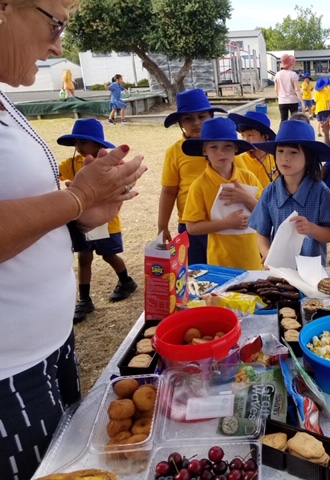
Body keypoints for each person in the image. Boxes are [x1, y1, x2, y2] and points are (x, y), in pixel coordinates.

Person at [0, 2, 146, 477]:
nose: (58, 45)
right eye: (55, 23)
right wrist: (78, 198)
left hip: (47, 350)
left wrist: (82, 218)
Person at [57, 119, 138, 322]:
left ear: (98, 144)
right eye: (76, 143)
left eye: (84, 142)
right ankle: (85, 300)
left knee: (109, 255)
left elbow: (124, 182)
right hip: (81, 221)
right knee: (84, 258)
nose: (79, 147)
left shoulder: (110, 164)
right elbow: (54, 176)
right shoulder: (70, 164)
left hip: (106, 223)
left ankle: (126, 281)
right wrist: (68, 184)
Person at [249, 120, 330, 266]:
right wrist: (267, 253)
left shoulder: (320, 191)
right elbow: (261, 233)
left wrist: (312, 228)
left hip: (312, 270)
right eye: (280, 151)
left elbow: (329, 235)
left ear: (309, 157)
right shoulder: (270, 192)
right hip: (279, 270)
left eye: (293, 152)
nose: (285, 158)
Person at [181, 117, 263, 270]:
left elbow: (267, 214)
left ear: (236, 148)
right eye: (213, 147)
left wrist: (246, 198)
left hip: (252, 261)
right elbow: (192, 227)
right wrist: (227, 223)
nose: (221, 152)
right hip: (220, 264)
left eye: (227, 146)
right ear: (204, 150)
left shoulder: (248, 178)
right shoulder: (199, 185)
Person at [158, 88, 227, 265]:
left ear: (211, 116)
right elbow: (168, 191)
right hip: (191, 224)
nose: (196, 123)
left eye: (201, 117)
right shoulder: (175, 152)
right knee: (195, 275)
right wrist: (162, 225)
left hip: (225, 223)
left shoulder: (228, 147)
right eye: (188, 119)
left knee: (226, 272)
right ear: (180, 123)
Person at [228, 111, 278, 188]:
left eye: (250, 135)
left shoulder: (276, 159)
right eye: (243, 135)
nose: (246, 140)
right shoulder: (237, 160)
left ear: (265, 136)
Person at [274, 54, 302, 121]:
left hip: (282, 100)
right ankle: (294, 131)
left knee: (283, 120)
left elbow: (276, 89)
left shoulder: (277, 74)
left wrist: (279, 97)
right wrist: (302, 102)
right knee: (294, 120)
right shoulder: (293, 74)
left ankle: (283, 131)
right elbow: (297, 89)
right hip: (293, 100)